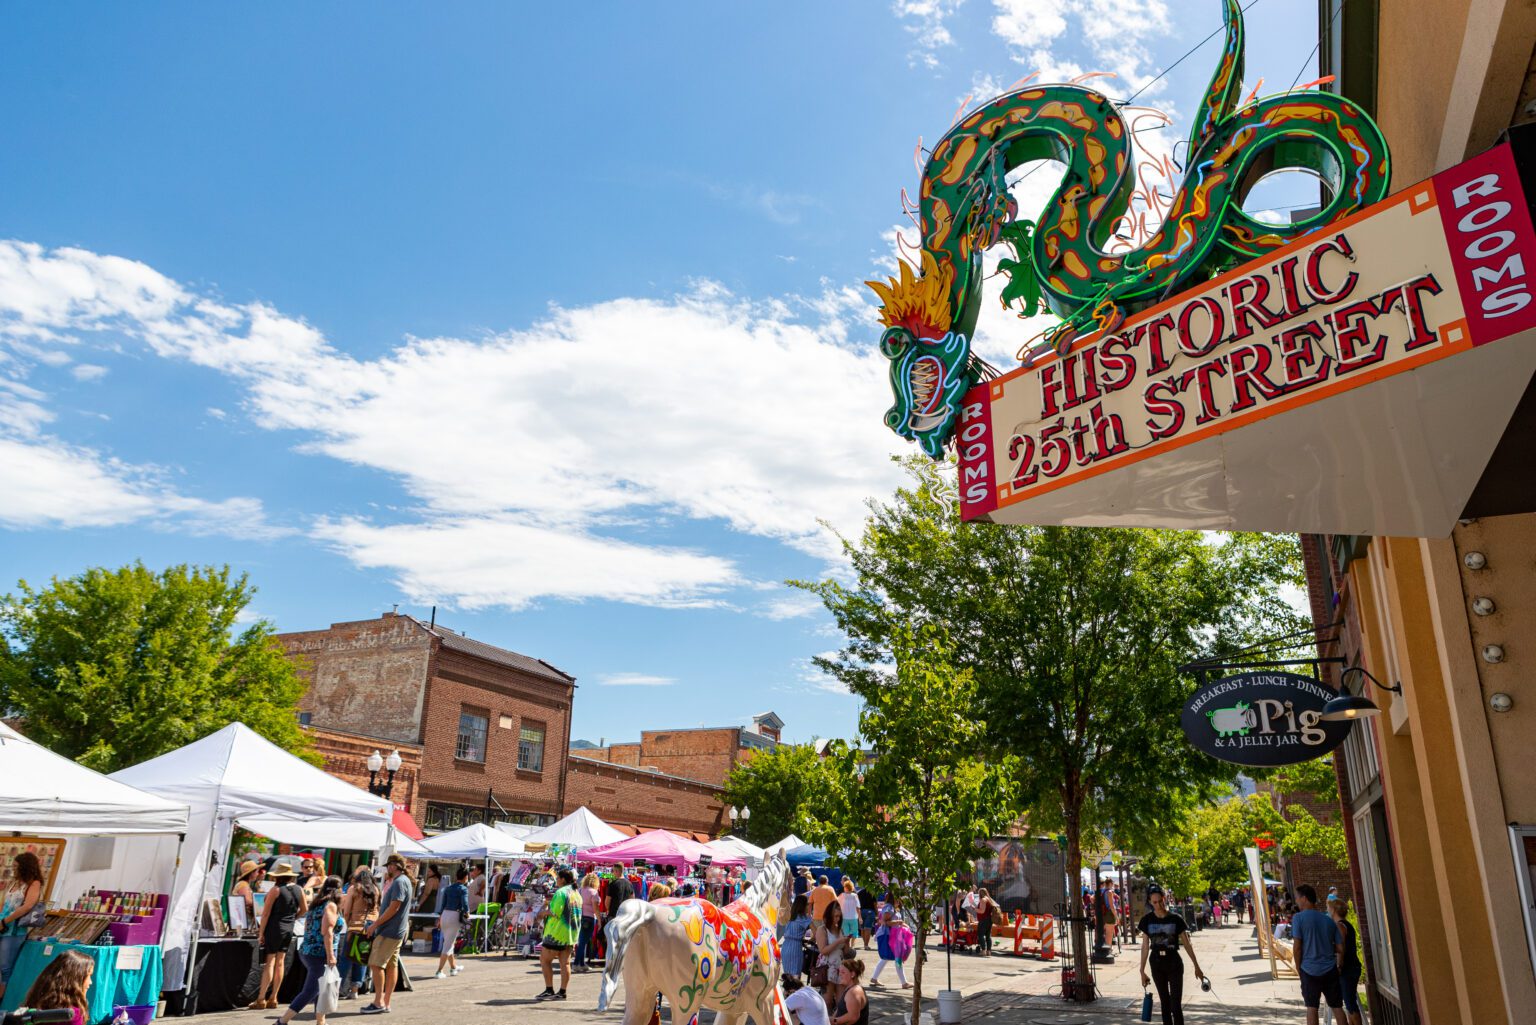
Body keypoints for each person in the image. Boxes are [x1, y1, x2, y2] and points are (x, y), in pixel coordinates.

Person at [277, 875, 344, 1025]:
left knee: (321, 987)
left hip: (307, 951)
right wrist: (331, 955)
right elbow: (327, 932)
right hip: (319, 953)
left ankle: (321, 1022)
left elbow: (308, 927)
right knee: (310, 991)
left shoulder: (316, 904)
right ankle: (282, 1021)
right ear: (339, 890)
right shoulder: (331, 905)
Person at [1138, 884, 1207, 1025]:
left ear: (1164, 898)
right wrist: (1142, 970)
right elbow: (1145, 946)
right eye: (1155, 902)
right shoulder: (1147, 920)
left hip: (1174, 962)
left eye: (1160, 900)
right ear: (1150, 902)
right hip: (1156, 962)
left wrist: (1197, 967)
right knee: (1164, 1003)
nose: (1158, 905)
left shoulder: (1176, 919)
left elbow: (1187, 944)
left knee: (1175, 1005)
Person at [250, 860, 308, 1010]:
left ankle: (261, 998)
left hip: (274, 927)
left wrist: (261, 932)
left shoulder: (276, 890)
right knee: (280, 962)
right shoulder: (299, 889)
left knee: (270, 962)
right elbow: (304, 909)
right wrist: (293, 918)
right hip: (289, 928)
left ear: (277, 877)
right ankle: (273, 997)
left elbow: (265, 914)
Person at [361, 854, 413, 1015]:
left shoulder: (399, 882)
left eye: (388, 865)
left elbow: (394, 907)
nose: (387, 868)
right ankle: (385, 1002)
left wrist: (375, 925)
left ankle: (378, 1002)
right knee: (391, 966)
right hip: (395, 930)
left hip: (389, 931)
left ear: (394, 866)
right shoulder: (403, 881)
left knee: (376, 964)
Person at [1292, 884, 1347, 1025]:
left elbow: (1297, 947)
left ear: (1304, 898)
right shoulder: (1328, 920)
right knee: (1337, 1007)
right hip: (1329, 969)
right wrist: (1326, 947)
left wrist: (1298, 968)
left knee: (1312, 1007)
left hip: (1309, 970)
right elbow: (1341, 948)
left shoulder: (1298, 918)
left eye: (1297, 898)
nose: (1296, 901)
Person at [1, 852, 46, 1002]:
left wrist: (6, 920)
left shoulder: (34, 883)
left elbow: (27, 906)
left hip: (14, 929)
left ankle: (4, 998)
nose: (14, 869)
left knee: (5, 966)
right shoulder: (14, 883)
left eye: (16, 866)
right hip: (3, 924)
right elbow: (3, 903)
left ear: (25, 867)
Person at [535, 868, 582, 1001]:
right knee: (565, 963)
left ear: (562, 879)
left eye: (558, 878)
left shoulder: (561, 892)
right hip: (571, 934)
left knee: (545, 960)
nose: (556, 880)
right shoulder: (576, 893)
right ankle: (562, 991)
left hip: (556, 933)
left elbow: (555, 913)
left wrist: (543, 912)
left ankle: (549, 989)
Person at [21, 948, 93, 1025]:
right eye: (89, 976)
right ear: (76, 979)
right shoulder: (73, 1015)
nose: (90, 982)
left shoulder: (38, 1001)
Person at [338, 866, 378, 1000]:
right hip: (370, 927)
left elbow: (347, 910)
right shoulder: (375, 890)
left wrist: (348, 923)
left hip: (355, 926)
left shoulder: (354, 889)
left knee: (346, 958)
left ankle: (338, 989)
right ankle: (354, 990)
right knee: (361, 959)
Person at [1328, 899, 1364, 1025]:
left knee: (1350, 1003)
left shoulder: (1340, 925)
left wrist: (1338, 965)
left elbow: (1340, 949)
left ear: (1333, 910)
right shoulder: (1345, 924)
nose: (1328, 911)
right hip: (1352, 967)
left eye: (1329, 908)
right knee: (1349, 1001)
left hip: (1348, 968)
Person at [813, 900, 853, 1005]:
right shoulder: (822, 929)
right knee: (828, 1000)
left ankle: (837, 1019)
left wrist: (846, 942)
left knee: (841, 1000)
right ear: (829, 915)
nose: (838, 919)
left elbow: (845, 952)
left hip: (840, 967)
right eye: (835, 916)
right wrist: (838, 941)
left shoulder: (840, 929)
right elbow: (823, 950)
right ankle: (826, 1020)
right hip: (827, 968)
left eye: (839, 916)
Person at [869, 896, 911, 989]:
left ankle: (874, 978)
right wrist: (899, 922)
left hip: (893, 935)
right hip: (889, 936)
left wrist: (903, 924)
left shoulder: (892, 907)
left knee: (886, 957)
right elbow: (885, 921)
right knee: (897, 957)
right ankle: (904, 983)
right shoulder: (889, 907)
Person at [434, 867, 469, 979]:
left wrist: (439, 919)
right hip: (454, 916)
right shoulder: (463, 889)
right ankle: (439, 971)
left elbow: (442, 904)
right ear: (466, 877)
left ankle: (453, 967)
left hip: (444, 915)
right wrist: (467, 913)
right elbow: (465, 903)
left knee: (449, 942)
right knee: (448, 944)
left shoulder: (448, 889)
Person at [781, 895, 814, 981]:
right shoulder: (804, 919)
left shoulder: (790, 916)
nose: (808, 906)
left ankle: (787, 993)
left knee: (787, 976)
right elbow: (816, 932)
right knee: (795, 976)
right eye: (807, 904)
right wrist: (812, 940)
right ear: (802, 905)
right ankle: (794, 992)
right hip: (795, 947)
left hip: (785, 946)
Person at [575, 872, 601, 973]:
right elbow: (595, 908)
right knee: (583, 942)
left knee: (582, 941)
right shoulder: (594, 892)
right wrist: (599, 920)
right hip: (589, 918)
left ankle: (581, 963)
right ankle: (576, 963)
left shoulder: (580, 890)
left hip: (580, 917)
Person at [831, 957, 869, 1025]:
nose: (839, 974)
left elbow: (853, 1017)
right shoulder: (849, 988)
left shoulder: (854, 992)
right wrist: (831, 1020)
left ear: (852, 974)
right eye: (839, 972)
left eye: (843, 972)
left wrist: (835, 1021)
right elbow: (839, 1010)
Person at [230, 860, 265, 930]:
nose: (257, 874)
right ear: (251, 873)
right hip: (242, 919)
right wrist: (261, 903)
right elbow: (247, 901)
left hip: (242, 918)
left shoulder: (244, 884)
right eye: (256, 872)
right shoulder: (243, 884)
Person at [837, 881, 860, 948]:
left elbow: (836, 903)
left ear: (845, 887)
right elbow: (858, 907)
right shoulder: (855, 895)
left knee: (846, 934)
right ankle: (852, 946)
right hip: (854, 917)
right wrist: (860, 917)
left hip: (844, 918)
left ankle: (847, 946)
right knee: (854, 933)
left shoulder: (841, 895)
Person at [975, 886, 997, 956]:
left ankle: (983, 950)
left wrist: (974, 909)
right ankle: (989, 951)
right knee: (988, 936)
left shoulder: (983, 900)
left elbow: (982, 911)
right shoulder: (989, 899)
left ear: (980, 894)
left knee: (980, 935)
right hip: (989, 920)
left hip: (983, 919)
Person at [855, 885, 877, 951]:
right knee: (868, 928)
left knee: (862, 929)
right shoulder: (872, 892)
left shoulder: (859, 892)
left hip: (861, 912)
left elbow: (857, 904)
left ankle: (865, 944)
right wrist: (877, 913)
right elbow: (875, 904)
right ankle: (866, 945)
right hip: (870, 912)